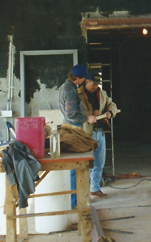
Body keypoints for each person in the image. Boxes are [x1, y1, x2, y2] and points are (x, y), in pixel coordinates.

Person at [59, 64, 97, 208]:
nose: (84, 82)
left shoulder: (65, 86)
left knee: (75, 168)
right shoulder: (70, 91)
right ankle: (75, 202)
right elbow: (71, 114)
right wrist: (87, 118)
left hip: (70, 127)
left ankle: (76, 200)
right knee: (76, 168)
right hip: (73, 130)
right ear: (78, 78)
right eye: (83, 79)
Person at [82, 71, 119, 198]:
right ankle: (85, 190)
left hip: (100, 131)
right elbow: (75, 114)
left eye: (98, 84)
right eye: (94, 83)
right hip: (87, 133)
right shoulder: (78, 95)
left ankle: (95, 188)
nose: (96, 86)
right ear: (86, 81)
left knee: (99, 162)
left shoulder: (101, 93)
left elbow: (112, 104)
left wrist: (109, 112)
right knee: (87, 163)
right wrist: (91, 114)